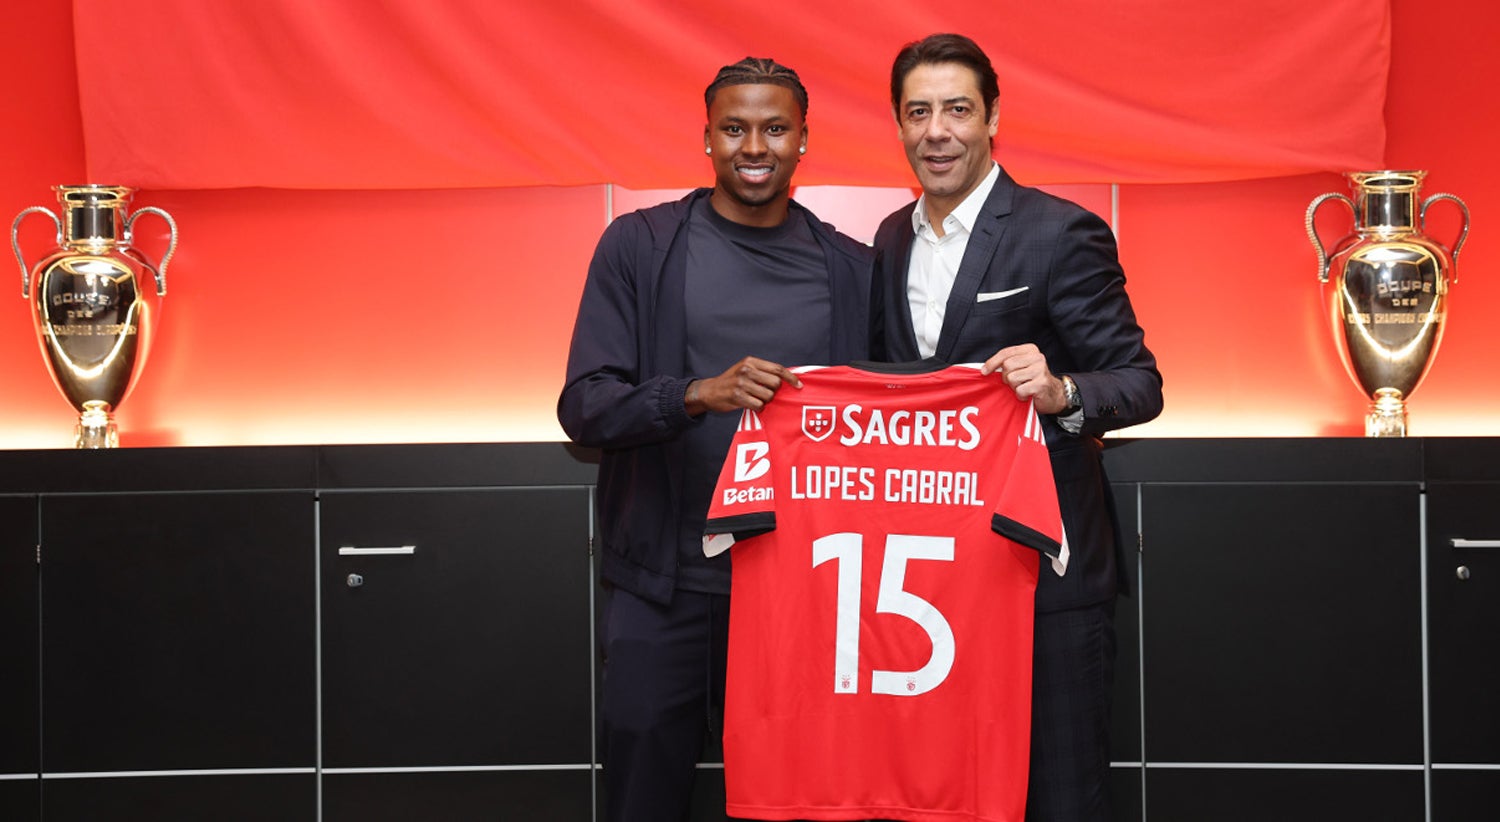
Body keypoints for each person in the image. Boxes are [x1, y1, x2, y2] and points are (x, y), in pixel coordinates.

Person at [557, 57, 873, 822]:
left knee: (797, 803)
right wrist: (696, 394)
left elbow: (903, 410)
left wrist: (1038, 415)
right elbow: (584, 408)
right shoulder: (639, 247)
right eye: (734, 128)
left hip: (805, 594)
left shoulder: (857, 270)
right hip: (662, 586)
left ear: (804, 141)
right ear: (706, 139)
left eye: (774, 129)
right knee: (643, 796)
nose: (753, 147)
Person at [870, 33, 1164, 822]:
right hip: (930, 582)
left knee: (1062, 795)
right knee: (943, 792)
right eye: (918, 112)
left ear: (993, 117)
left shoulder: (1059, 232)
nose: (938, 132)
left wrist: (1061, 390)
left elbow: (1139, 383)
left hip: (1045, 574)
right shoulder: (890, 239)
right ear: (897, 124)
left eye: (957, 110)